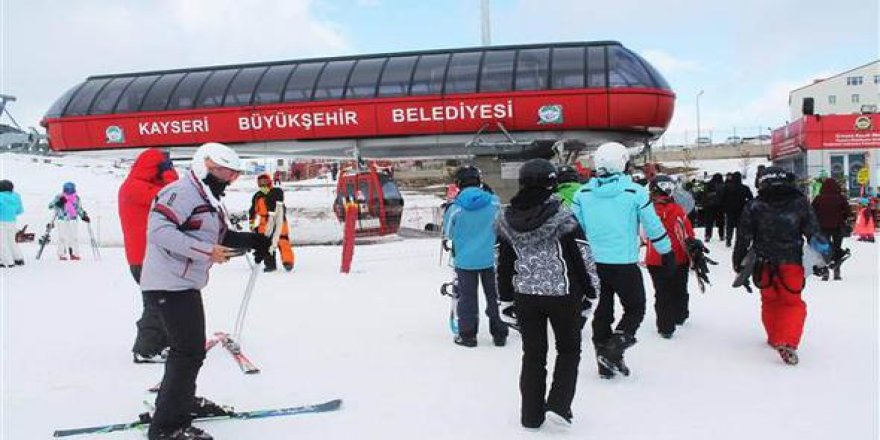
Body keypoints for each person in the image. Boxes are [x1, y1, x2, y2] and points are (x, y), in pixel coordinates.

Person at [141, 142, 270, 440]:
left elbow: (220, 235)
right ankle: (167, 426)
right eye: (223, 172)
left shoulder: (207, 198)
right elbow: (158, 232)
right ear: (205, 165)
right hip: (167, 283)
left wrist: (253, 240)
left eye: (233, 175)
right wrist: (206, 251)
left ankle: (180, 403)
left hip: (182, 283)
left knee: (189, 351)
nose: (228, 180)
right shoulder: (181, 192)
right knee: (187, 351)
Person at [495, 159, 599, 429]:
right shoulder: (563, 215)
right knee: (568, 350)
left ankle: (530, 416)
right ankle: (559, 406)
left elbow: (502, 262)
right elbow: (582, 254)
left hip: (525, 295)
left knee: (533, 355)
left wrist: (504, 298)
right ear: (552, 183)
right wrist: (591, 291)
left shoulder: (506, 218)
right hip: (563, 294)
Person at [571, 142, 675, 378]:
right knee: (635, 308)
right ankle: (613, 350)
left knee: (603, 312)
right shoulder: (635, 192)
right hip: (624, 264)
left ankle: (605, 363)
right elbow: (652, 225)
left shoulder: (582, 195)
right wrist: (666, 252)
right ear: (622, 163)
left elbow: (576, 232)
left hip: (594, 265)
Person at [733, 167, 824, 365]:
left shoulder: (754, 206)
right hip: (791, 262)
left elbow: (743, 237)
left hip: (763, 264)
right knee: (792, 302)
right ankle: (788, 341)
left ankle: (775, 337)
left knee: (769, 300)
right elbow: (814, 233)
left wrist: (738, 262)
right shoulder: (800, 204)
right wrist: (824, 256)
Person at [119, 148, 179, 363]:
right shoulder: (135, 187)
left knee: (165, 302)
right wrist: (169, 173)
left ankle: (161, 344)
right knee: (157, 304)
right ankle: (146, 349)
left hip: (148, 257)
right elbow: (174, 196)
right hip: (146, 258)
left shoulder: (135, 185)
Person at [442, 165, 507, 348]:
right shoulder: (494, 202)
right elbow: (503, 227)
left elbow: (449, 232)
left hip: (465, 261)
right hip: (491, 258)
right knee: (495, 297)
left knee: (467, 299)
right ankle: (499, 334)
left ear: (458, 183)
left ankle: (468, 336)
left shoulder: (455, 207)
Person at [645, 175, 695, 339]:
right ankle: (680, 314)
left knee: (662, 292)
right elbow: (688, 233)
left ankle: (665, 327)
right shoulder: (678, 210)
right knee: (680, 287)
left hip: (655, 259)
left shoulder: (647, 211)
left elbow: (643, 236)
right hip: (679, 257)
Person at [249, 173, 295, 272]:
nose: (263, 184)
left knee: (283, 240)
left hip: (278, 219)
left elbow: (278, 201)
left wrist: (268, 193)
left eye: (265, 181)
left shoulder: (277, 191)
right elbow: (252, 211)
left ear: (269, 181)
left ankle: (288, 262)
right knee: (266, 244)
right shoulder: (257, 196)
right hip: (264, 222)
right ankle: (270, 265)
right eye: (260, 182)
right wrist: (252, 223)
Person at [811, 178, 851, 280]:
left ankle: (825, 272)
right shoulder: (840, 198)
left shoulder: (818, 198)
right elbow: (848, 212)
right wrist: (842, 217)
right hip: (838, 227)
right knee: (837, 248)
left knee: (825, 249)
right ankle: (837, 271)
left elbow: (812, 212)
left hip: (823, 227)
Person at [49, 182, 89, 260]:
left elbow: (78, 208)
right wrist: (59, 202)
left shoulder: (76, 198)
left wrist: (83, 216)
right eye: (67, 190)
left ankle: (74, 253)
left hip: (73, 219)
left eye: (71, 190)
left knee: (74, 237)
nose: (69, 192)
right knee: (62, 237)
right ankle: (61, 254)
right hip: (62, 219)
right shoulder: (59, 196)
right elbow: (50, 206)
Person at [721, 171, 754, 247]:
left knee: (729, 225)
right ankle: (738, 240)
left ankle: (728, 239)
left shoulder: (727, 187)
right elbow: (751, 198)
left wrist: (724, 207)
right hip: (741, 209)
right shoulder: (745, 188)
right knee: (740, 226)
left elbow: (722, 198)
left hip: (730, 209)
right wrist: (746, 204)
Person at [0, 179, 25, 267]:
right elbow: (20, 210)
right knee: (11, 241)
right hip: (12, 222)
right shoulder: (16, 196)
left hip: (1, 222)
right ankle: (18, 259)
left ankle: (7, 261)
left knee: (2, 242)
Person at [701, 173, 726, 242]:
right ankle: (721, 235)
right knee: (721, 223)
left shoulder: (708, 184)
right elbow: (725, 197)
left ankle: (707, 236)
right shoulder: (723, 185)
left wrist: (704, 204)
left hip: (709, 207)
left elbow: (703, 195)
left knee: (709, 223)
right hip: (720, 207)